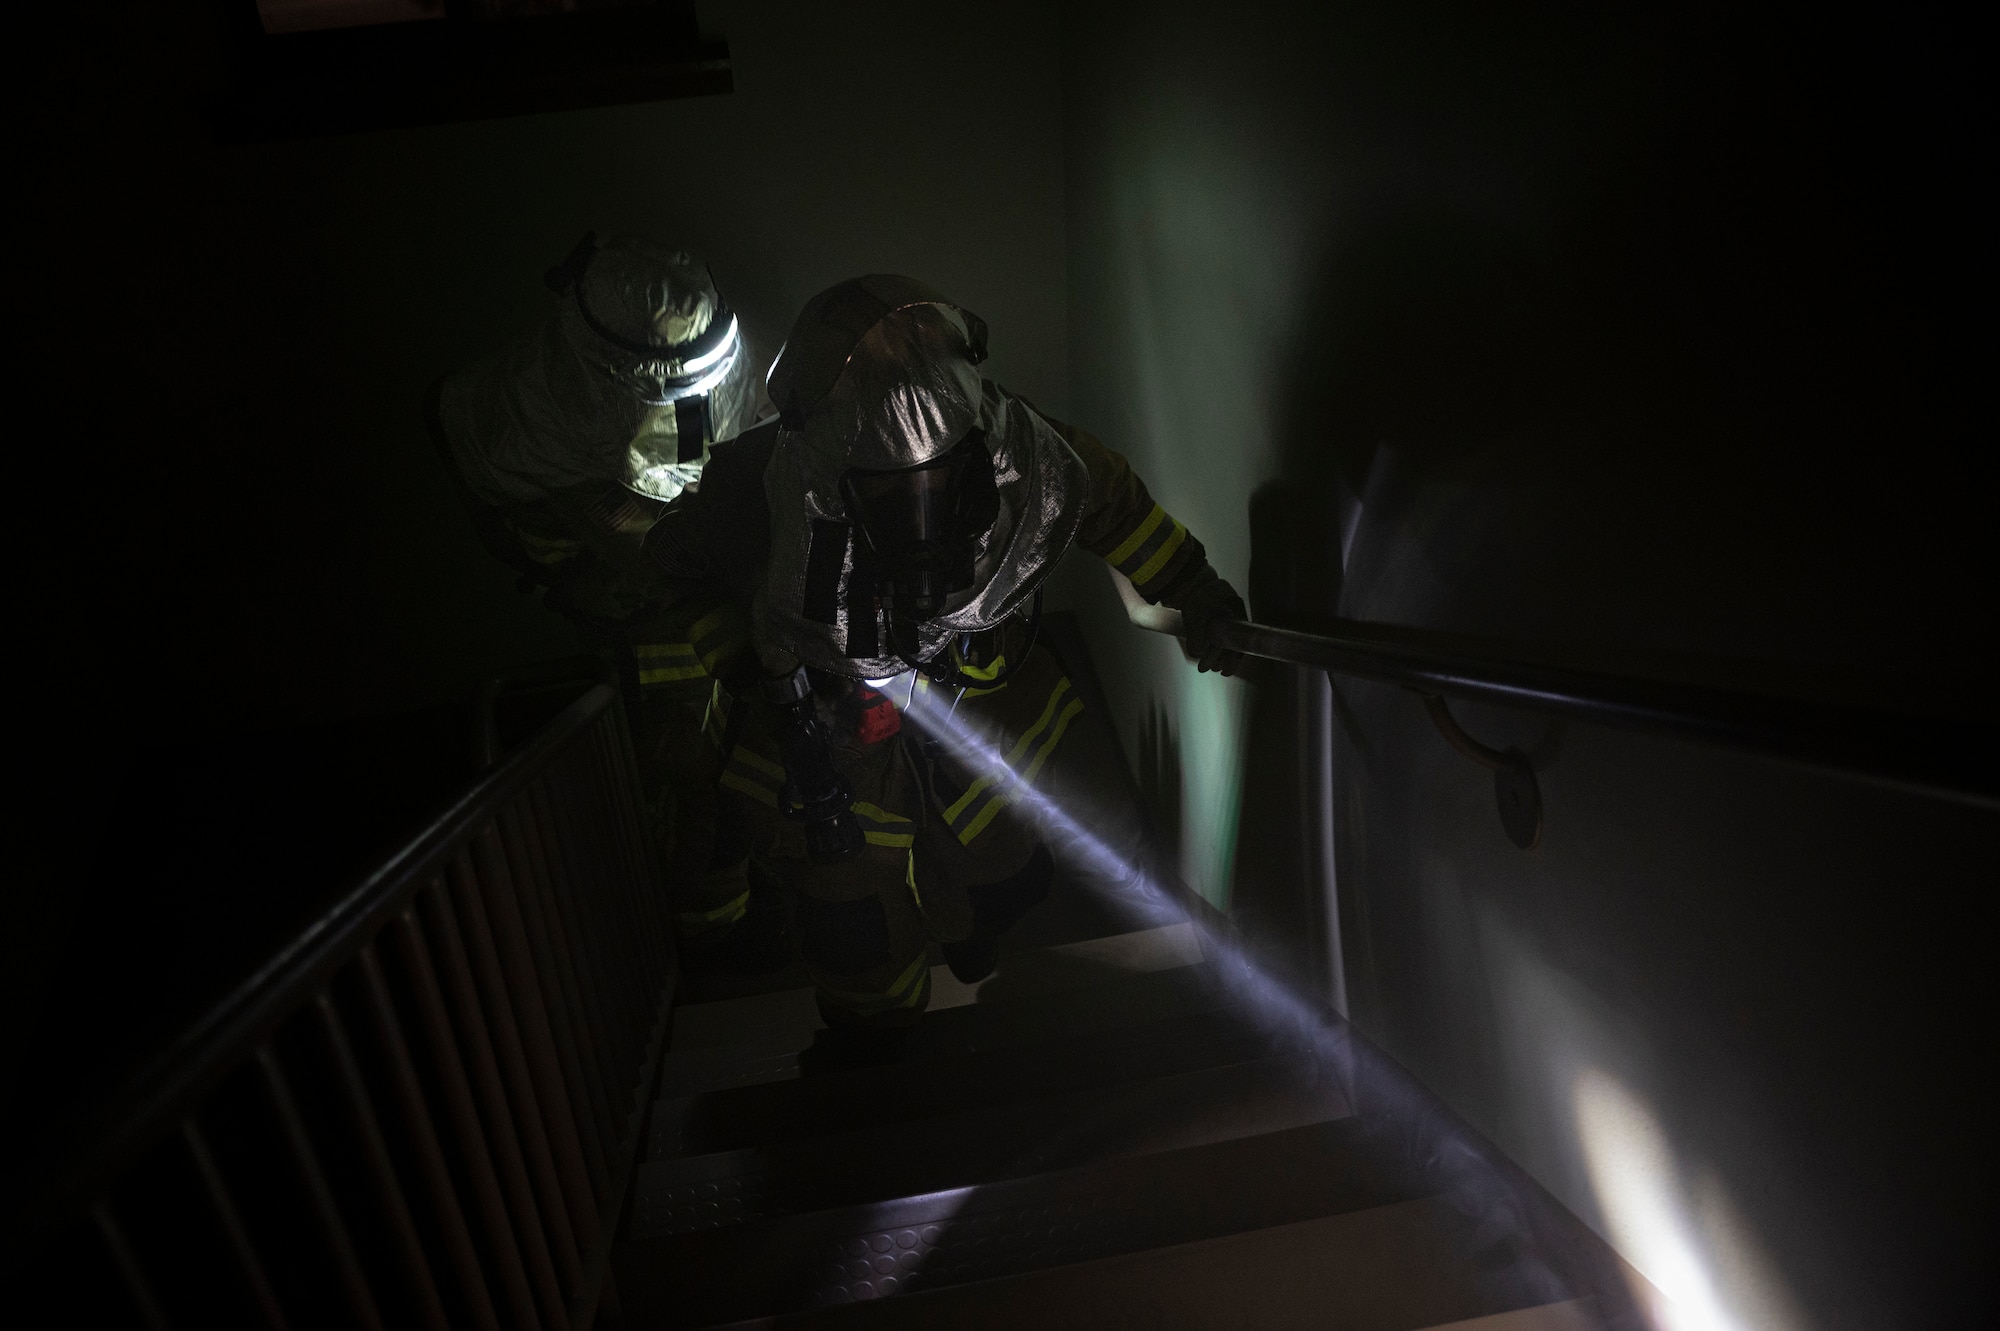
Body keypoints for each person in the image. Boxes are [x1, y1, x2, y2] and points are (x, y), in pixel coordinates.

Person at [644, 275, 1246, 1055]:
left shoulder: (1025, 452)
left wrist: (1194, 589)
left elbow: (1115, 507)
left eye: (942, 481)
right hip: (828, 733)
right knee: (851, 907)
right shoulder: (751, 481)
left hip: (976, 697)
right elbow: (673, 568)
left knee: (990, 851)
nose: (922, 513)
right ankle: (875, 1034)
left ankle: (973, 932)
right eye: (890, 493)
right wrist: (744, 664)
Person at [426, 232, 785, 969]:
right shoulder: (546, 418)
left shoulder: (698, 344)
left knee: (712, 730)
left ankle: (716, 897)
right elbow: (629, 540)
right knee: (686, 750)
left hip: (663, 539)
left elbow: (723, 435)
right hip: (595, 554)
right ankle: (704, 931)